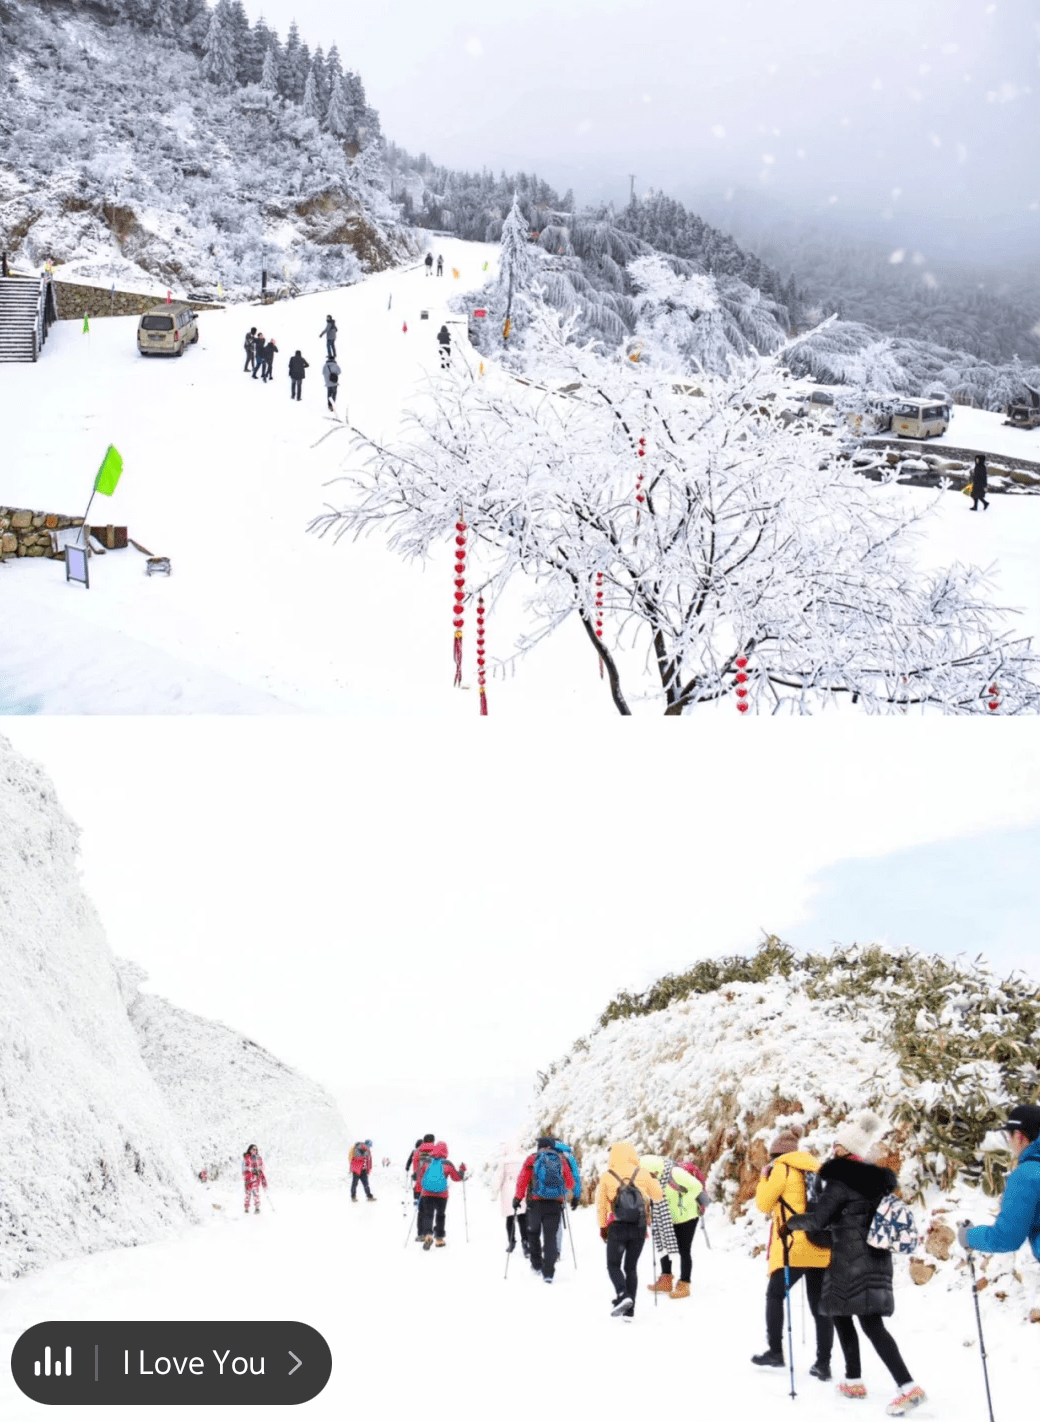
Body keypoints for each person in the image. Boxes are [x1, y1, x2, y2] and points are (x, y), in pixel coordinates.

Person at [782, 1112, 926, 1417]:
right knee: (842, 1314)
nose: (832, 1149)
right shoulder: (875, 1183)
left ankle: (908, 1386)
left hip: (850, 1261)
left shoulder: (840, 1182)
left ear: (846, 1151)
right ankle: (853, 1380)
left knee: (869, 1323)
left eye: (837, 1146)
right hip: (873, 1258)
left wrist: (791, 1222)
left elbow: (819, 1219)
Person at [751, 1125, 835, 1377]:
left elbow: (763, 1204)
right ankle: (823, 1363)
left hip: (793, 1247)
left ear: (776, 1153)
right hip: (822, 1245)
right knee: (820, 1306)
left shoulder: (782, 1169)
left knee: (775, 1296)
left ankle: (775, 1351)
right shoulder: (817, 1168)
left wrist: (765, 1177)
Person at [961, 1103, 1040, 1261]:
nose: (1010, 1142)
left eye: (1010, 1136)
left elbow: (1007, 1238)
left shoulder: (1027, 1175)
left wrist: (968, 1237)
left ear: (1019, 1136)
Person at [594, 1140, 664, 1317]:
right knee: (631, 1267)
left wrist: (602, 1227)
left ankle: (622, 1294)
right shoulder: (643, 1173)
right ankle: (629, 1311)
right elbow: (658, 1196)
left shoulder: (607, 1175)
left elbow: (601, 1205)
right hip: (639, 1227)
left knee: (613, 1265)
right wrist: (651, 1182)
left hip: (616, 1227)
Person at [512, 1136, 577, 1283]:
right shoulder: (560, 1159)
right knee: (550, 1237)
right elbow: (570, 1182)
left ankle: (536, 1265)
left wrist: (517, 1198)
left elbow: (522, 1180)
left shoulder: (532, 1159)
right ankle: (549, 1273)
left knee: (533, 1233)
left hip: (535, 1203)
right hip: (555, 1204)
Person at [641, 1154, 704, 1299]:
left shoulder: (675, 1173)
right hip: (667, 1217)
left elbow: (696, 1187)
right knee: (664, 1244)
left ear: (653, 1169)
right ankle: (666, 1279)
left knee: (684, 1250)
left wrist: (683, 1202)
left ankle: (684, 1283)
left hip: (687, 1217)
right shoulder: (652, 1178)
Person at [416, 1139, 466, 1248]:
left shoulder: (427, 1162)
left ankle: (428, 1234)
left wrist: (419, 1190)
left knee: (428, 1215)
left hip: (427, 1193)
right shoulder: (447, 1164)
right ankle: (439, 1238)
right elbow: (457, 1178)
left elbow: (419, 1176)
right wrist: (462, 1170)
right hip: (442, 1195)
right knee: (440, 1215)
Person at [495, 1137, 530, 1257]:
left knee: (510, 1218)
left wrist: (493, 1192)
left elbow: (499, 1178)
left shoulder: (504, 1160)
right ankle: (526, 1243)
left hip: (507, 1191)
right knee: (522, 1218)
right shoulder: (524, 1158)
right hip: (521, 1190)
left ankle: (511, 1242)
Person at [242, 1144, 266, 1215]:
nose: (254, 1151)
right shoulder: (246, 1158)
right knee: (248, 1194)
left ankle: (257, 1207)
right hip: (248, 1179)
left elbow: (262, 1166)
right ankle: (246, 1208)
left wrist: (259, 1170)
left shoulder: (259, 1158)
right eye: (253, 1149)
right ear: (249, 1150)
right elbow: (244, 1168)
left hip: (256, 1179)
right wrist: (252, 1170)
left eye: (255, 1149)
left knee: (256, 1193)